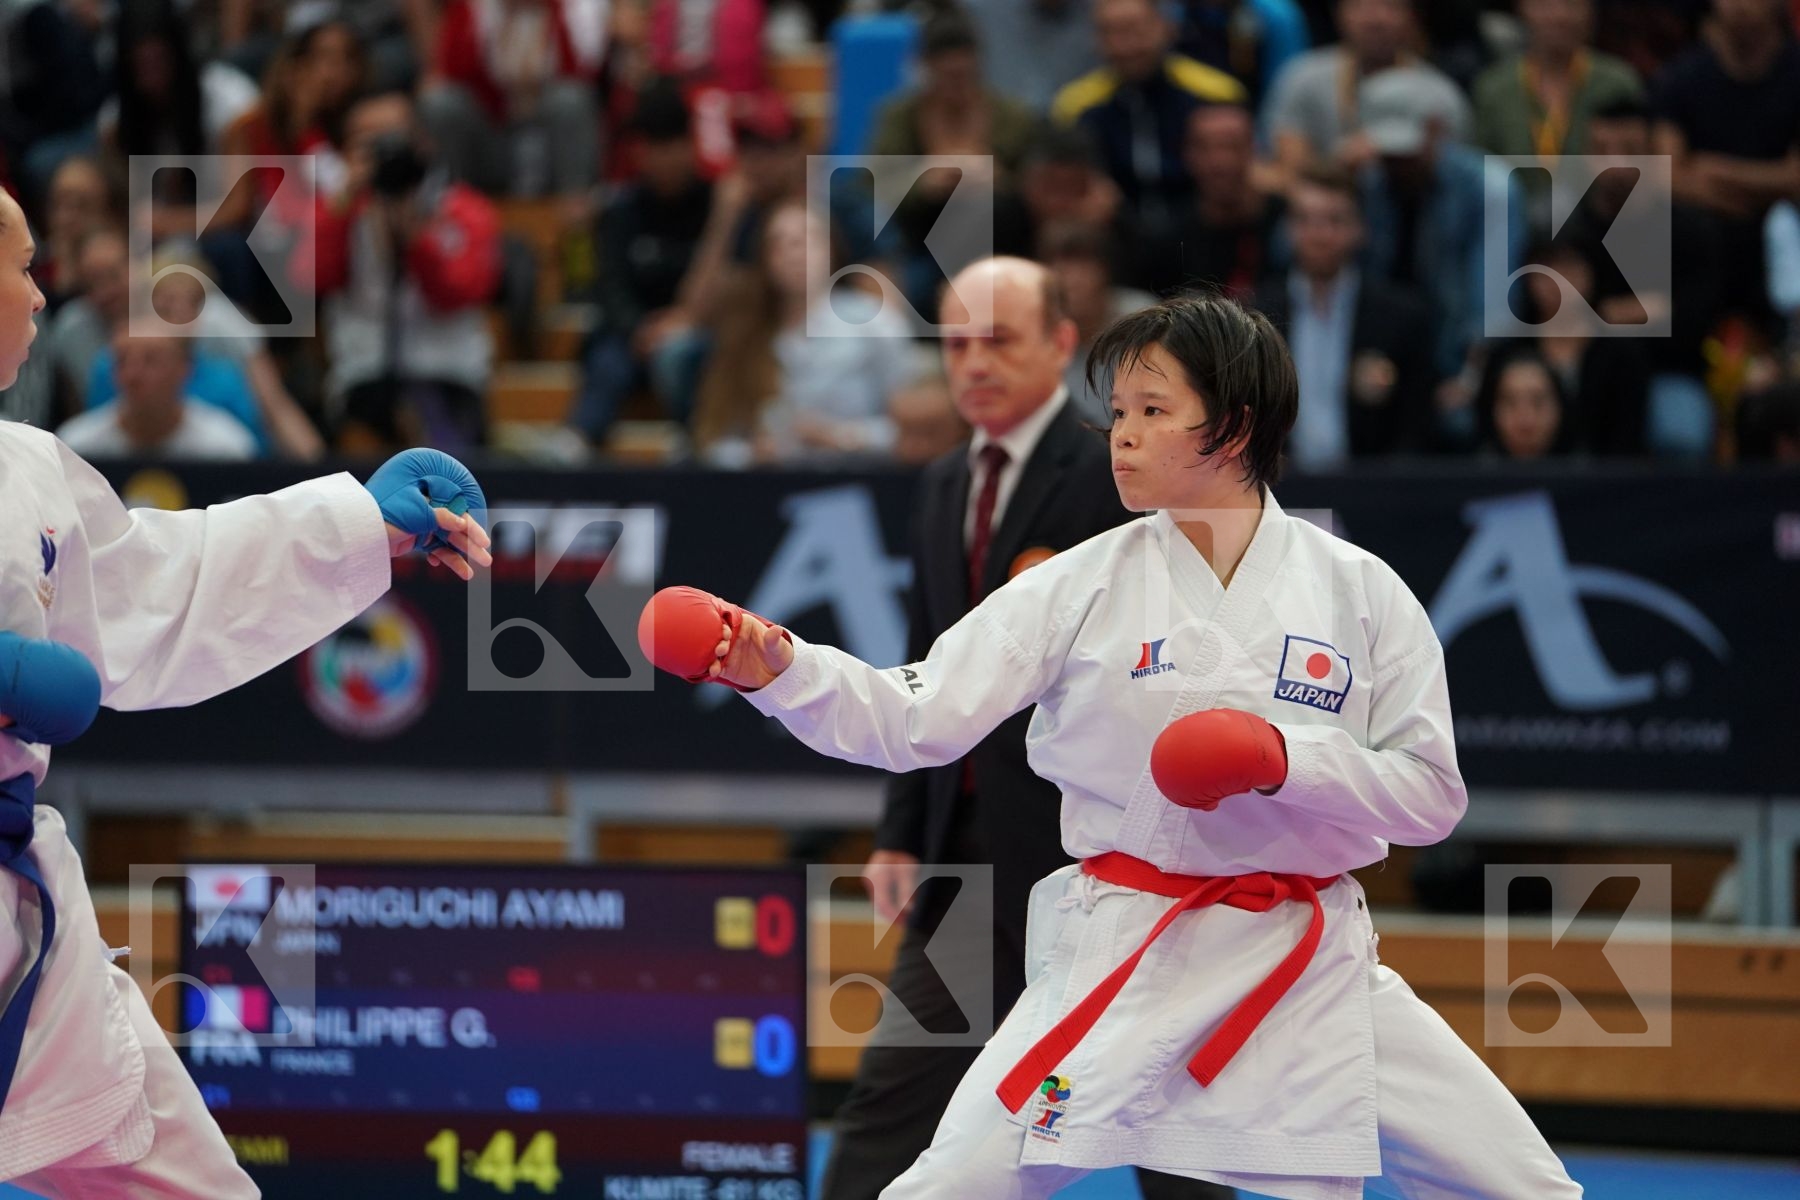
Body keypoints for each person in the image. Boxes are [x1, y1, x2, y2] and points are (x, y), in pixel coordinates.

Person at [649, 293, 1583, 1199]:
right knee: (951, 1185)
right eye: (1118, 412)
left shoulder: (1363, 593)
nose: (1122, 435)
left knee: (1523, 1184)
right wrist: (778, 670)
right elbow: (913, 719)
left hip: (1311, 955)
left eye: (1152, 410)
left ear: (1235, 425)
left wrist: (1280, 759)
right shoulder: (1083, 584)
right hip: (1129, 952)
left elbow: (1430, 794)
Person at [0, 182, 494, 1195]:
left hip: (25, 917)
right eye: (18, 269)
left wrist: (362, 521)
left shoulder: (31, 471)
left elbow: (158, 589)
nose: (41, 297)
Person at [820, 257, 1219, 1200]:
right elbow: (925, 670)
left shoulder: (1116, 477)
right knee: (896, 1098)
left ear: (1059, 344)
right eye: (956, 342)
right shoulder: (943, 483)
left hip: (1100, 859)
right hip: (964, 855)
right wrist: (897, 830)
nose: (974, 364)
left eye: (998, 339)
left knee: (1166, 1122)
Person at [1251, 165, 1435, 467]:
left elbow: (1415, 426)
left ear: (1360, 229)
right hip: (1281, 489)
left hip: (1371, 488)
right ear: (1288, 229)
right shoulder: (1254, 316)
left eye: (1335, 220)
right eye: (1305, 220)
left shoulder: (1402, 317)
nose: (1320, 234)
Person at [1052, 0, 1246, 241]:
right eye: (1111, 33)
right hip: (1116, 237)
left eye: (1135, 30)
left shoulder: (1216, 95)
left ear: (1166, 27)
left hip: (1203, 232)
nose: (1125, 46)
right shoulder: (1076, 107)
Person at [55, 332, 259, 461]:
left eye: (150, 361)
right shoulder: (76, 447)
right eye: (122, 361)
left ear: (183, 369)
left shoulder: (226, 448)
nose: (132, 374)